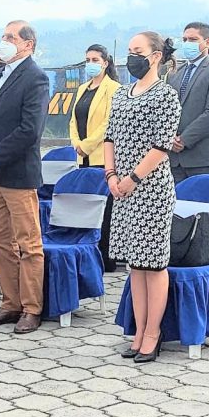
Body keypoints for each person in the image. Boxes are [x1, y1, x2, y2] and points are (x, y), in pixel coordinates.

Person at [0, 20, 50, 334]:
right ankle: (10, 302)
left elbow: (30, 130)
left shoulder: (35, 78)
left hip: (17, 174)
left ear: (28, 44)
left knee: (28, 243)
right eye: (3, 36)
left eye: (11, 37)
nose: (4, 41)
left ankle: (31, 308)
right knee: (0, 240)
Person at [105, 32, 181, 363]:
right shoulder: (121, 94)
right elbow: (109, 137)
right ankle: (138, 331)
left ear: (156, 56)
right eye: (129, 51)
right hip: (121, 189)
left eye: (138, 51)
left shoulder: (166, 96)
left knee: (153, 263)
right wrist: (111, 175)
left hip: (151, 189)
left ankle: (153, 332)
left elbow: (161, 146)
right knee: (135, 265)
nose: (131, 57)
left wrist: (133, 178)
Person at [69, 44, 122, 272]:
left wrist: (88, 145)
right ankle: (87, 253)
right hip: (82, 157)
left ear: (105, 63)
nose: (90, 64)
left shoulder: (114, 89)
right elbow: (74, 120)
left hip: (102, 156)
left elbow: (109, 123)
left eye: (95, 60)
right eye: (87, 60)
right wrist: (77, 143)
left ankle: (106, 256)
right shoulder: (82, 89)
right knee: (87, 206)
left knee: (106, 208)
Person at [167, 22, 209, 181]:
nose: (187, 44)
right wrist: (169, 137)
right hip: (174, 161)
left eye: (193, 39)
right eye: (185, 40)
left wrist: (184, 139)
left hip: (204, 158)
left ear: (208, 42)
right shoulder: (175, 73)